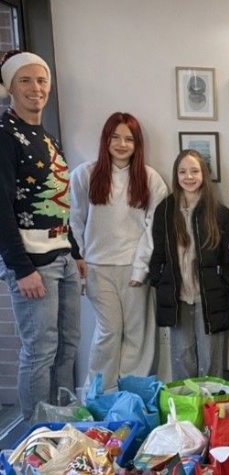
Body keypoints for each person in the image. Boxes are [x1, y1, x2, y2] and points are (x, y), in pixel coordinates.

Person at [0, 50, 81, 422]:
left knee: (68, 347)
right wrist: (21, 268)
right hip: (33, 263)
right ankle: (36, 433)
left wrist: (75, 251)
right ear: (10, 86)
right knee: (39, 352)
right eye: (25, 80)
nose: (36, 88)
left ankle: (61, 424)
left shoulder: (46, 136)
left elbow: (59, 198)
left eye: (41, 80)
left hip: (62, 256)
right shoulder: (6, 135)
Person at [70, 112, 168, 391]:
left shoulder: (150, 179)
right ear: (106, 140)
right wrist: (78, 262)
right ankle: (98, 393)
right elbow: (74, 221)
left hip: (134, 268)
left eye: (129, 139)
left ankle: (130, 394)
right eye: (115, 137)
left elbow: (153, 228)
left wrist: (141, 268)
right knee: (109, 331)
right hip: (97, 268)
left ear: (137, 144)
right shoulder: (84, 175)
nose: (122, 144)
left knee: (137, 335)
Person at [150, 150, 229, 380]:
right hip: (178, 296)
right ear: (176, 175)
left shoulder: (220, 214)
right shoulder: (165, 210)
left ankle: (211, 401)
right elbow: (158, 252)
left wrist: (226, 286)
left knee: (210, 356)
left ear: (204, 175)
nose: (188, 177)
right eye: (182, 172)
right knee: (181, 355)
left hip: (209, 297)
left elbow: (228, 259)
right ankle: (185, 400)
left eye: (194, 171)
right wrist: (159, 279)